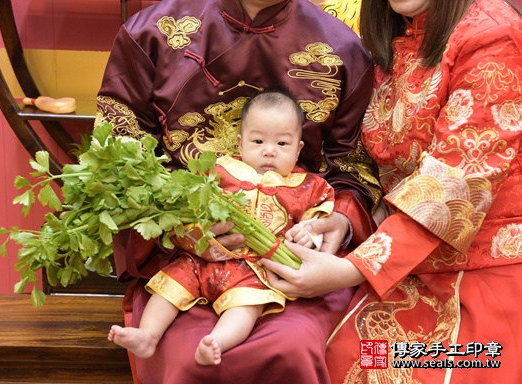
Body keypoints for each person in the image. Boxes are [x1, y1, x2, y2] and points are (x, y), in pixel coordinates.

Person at [96, 0, 381, 382]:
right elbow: (116, 164)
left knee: (291, 349)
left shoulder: (343, 50)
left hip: (292, 268)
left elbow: (355, 168)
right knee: (189, 359)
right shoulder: (150, 33)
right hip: (182, 257)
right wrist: (181, 225)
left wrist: (339, 221)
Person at [261, 0, 522, 382]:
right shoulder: (394, 36)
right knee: (304, 350)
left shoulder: (492, 34)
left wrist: (354, 268)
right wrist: (341, 220)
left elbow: (459, 179)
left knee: (379, 365)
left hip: (481, 271)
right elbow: (384, 169)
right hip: (403, 264)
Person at [108, 88, 339, 366]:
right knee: (168, 284)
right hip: (201, 258)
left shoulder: (308, 186)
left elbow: (320, 220)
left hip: (255, 269)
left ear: (299, 148)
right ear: (240, 144)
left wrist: (309, 234)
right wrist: (195, 230)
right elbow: (189, 204)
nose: (269, 151)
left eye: (282, 144)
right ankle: (147, 335)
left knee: (247, 306)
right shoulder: (219, 171)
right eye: (258, 141)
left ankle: (217, 342)